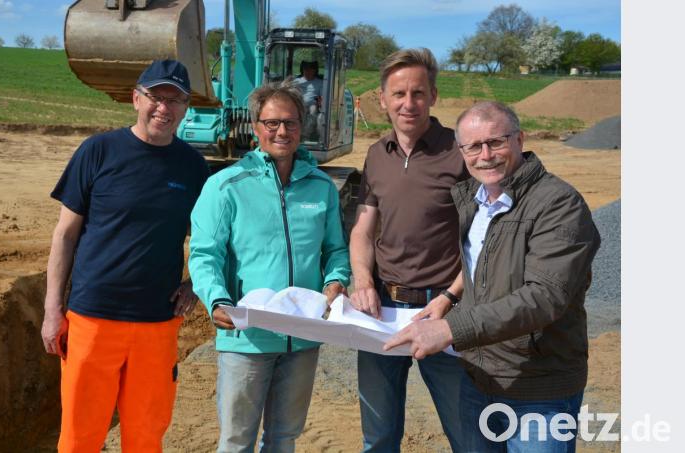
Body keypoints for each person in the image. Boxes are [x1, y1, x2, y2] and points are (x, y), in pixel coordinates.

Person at [384, 101, 601, 452]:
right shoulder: (474, 200)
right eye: (473, 146)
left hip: (537, 389)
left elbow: (545, 296)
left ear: (519, 139)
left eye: (496, 142)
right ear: (461, 152)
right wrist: (450, 297)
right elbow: (483, 267)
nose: (485, 155)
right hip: (478, 378)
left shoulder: (559, 204)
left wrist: (452, 329)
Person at [40, 59, 209, 453]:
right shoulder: (98, 151)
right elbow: (65, 235)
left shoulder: (193, 167)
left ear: (186, 108)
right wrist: (52, 310)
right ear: (136, 99)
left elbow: (211, 239)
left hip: (157, 324)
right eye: (155, 97)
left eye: (175, 100)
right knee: (80, 437)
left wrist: (195, 284)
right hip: (92, 319)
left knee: (145, 436)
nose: (164, 108)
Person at [188, 80, 350, 453]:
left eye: (290, 122)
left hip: (303, 336)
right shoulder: (226, 186)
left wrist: (336, 280)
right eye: (272, 123)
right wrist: (217, 300)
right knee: (236, 441)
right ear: (256, 126)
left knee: (283, 438)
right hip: (248, 337)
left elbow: (335, 250)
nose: (281, 131)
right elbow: (205, 254)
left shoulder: (321, 187)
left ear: (302, 126)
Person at [348, 48, 468, 452]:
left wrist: (451, 296)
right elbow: (363, 229)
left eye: (418, 93)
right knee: (379, 436)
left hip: (444, 311)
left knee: (467, 433)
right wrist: (363, 280)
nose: (408, 103)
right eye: (398, 94)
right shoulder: (376, 154)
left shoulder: (460, 152)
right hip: (383, 309)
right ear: (383, 99)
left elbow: (485, 238)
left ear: (433, 95)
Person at [293, 60, 324, 142]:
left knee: (313, 111)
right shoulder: (296, 82)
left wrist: (320, 102)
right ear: (302, 70)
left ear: (315, 71)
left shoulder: (320, 82)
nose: (308, 72)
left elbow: (321, 96)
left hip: (313, 104)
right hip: (299, 103)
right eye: (306, 69)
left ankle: (305, 135)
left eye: (310, 70)